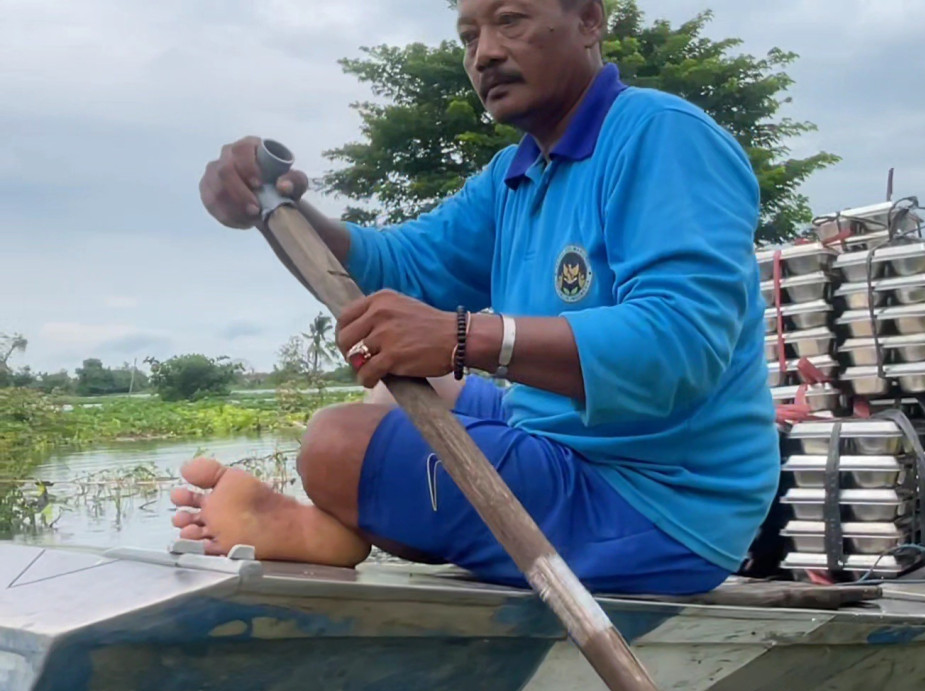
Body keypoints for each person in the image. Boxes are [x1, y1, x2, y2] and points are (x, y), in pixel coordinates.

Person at [172, 0, 779, 596]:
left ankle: (341, 515)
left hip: (657, 503)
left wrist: (463, 337)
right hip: (560, 444)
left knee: (336, 445)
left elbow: (681, 344)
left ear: (589, 20)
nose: (485, 52)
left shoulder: (663, 137)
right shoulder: (515, 176)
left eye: (509, 20)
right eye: (469, 35)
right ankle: (334, 528)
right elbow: (391, 270)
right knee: (392, 394)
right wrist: (276, 207)